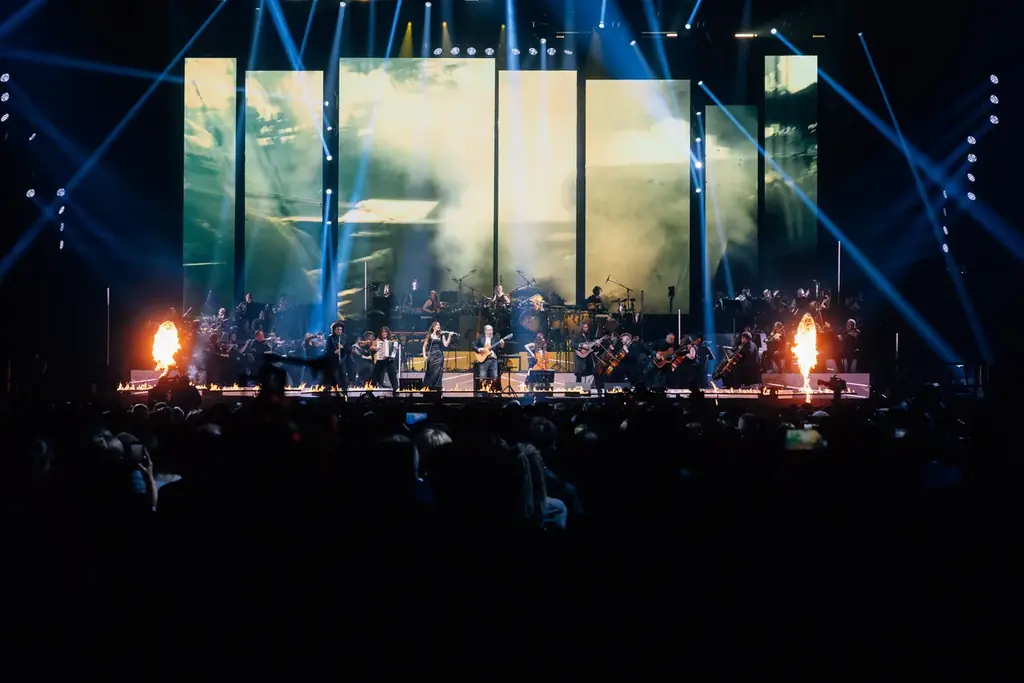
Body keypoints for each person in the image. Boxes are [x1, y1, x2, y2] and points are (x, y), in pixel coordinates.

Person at [421, 320, 453, 391]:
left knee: (438, 374)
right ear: (433, 327)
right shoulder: (429, 335)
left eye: (439, 325)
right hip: (431, 357)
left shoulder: (441, 335)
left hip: (439, 357)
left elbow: (446, 344)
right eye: (437, 325)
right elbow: (424, 346)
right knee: (430, 373)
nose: (439, 326)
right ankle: (428, 389)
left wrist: (449, 336)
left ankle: (437, 390)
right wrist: (424, 356)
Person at [372, 326, 400, 395]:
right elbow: (371, 347)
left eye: (385, 332)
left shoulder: (391, 340)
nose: (384, 333)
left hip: (389, 360)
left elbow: (394, 349)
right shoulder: (378, 340)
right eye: (382, 332)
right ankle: (370, 391)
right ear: (381, 333)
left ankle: (396, 390)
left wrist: (396, 349)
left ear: (387, 333)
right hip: (381, 359)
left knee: (392, 375)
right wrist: (375, 348)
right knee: (375, 375)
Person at [323, 321, 350, 393]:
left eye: (340, 329)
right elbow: (328, 349)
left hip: (342, 360)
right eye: (337, 329)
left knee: (344, 375)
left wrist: (342, 348)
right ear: (334, 330)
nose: (339, 331)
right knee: (334, 375)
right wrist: (334, 352)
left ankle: (344, 390)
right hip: (333, 360)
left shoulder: (344, 337)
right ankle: (332, 390)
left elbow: (348, 349)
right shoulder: (330, 338)